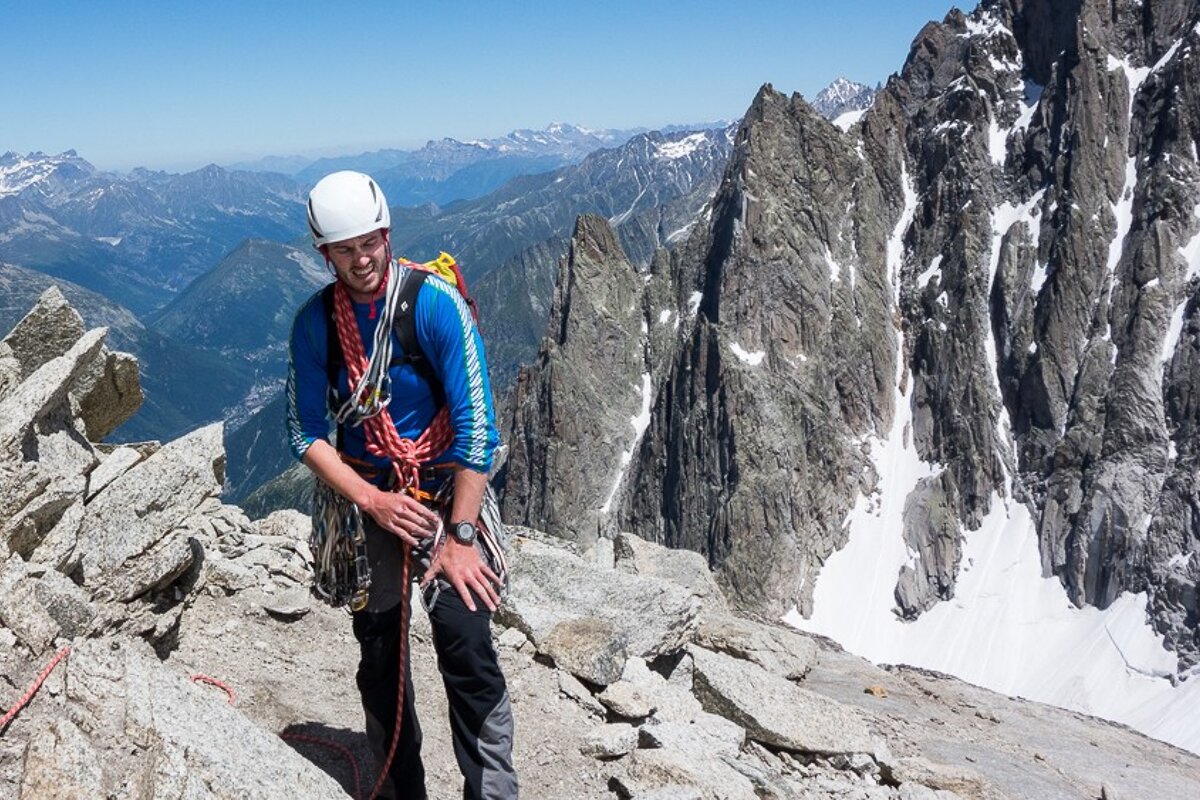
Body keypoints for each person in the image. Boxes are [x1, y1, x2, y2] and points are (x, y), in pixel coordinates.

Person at [286, 170, 517, 799]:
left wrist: (461, 539)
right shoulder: (316, 325)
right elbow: (304, 432)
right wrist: (373, 502)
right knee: (381, 649)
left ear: (387, 234)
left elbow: (478, 431)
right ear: (324, 253)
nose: (361, 260)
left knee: (464, 635)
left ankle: (492, 792)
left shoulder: (433, 304)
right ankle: (398, 789)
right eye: (344, 249)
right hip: (369, 494)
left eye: (370, 243)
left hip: (446, 490)